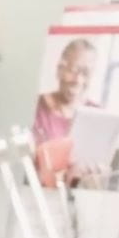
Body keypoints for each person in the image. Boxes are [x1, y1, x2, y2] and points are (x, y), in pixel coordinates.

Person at [32, 37, 101, 187]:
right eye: (73, 70)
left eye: (86, 73)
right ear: (59, 69)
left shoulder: (98, 115)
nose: (78, 80)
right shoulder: (34, 108)